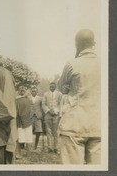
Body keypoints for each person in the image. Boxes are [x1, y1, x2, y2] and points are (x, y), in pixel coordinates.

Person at [58, 29, 101, 164]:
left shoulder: (72, 64)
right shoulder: (106, 64)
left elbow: (61, 87)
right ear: (94, 43)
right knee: (97, 172)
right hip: (98, 125)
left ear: (77, 44)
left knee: (73, 173)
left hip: (75, 125)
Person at [42, 82, 62, 153]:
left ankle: (56, 148)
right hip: (48, 115)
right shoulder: (45, 94)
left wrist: (56, 111)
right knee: (49, 131)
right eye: (51, 87)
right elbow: (43, 104)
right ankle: (50, 147)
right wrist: (49, 111)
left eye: (53, 87)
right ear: (49, 87)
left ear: (55, 87)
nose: (52, 88)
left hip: (56, 115)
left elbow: (60, 104)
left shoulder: (59, 94)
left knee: (56, 132)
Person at [16, 86, 33, 152]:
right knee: (25, 132)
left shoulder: (17, 100)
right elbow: (31, 109)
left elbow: (16, 111)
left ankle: (22, 147)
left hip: (22, 119)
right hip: (26, 119)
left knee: (22, 132)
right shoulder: (28, 99)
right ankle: (26, 147)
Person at [29, 86, 44, 150]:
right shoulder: (28, 98)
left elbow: (42, 107)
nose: (34, 92)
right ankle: (27, 145)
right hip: (30, 116)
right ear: (31, 92)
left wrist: (42, 115)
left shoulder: (40, 98)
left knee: (38, 131)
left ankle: (35, 145)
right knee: (29, 130)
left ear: (37, 92)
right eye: (32, 91)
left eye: (35, 91)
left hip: (38, 116)